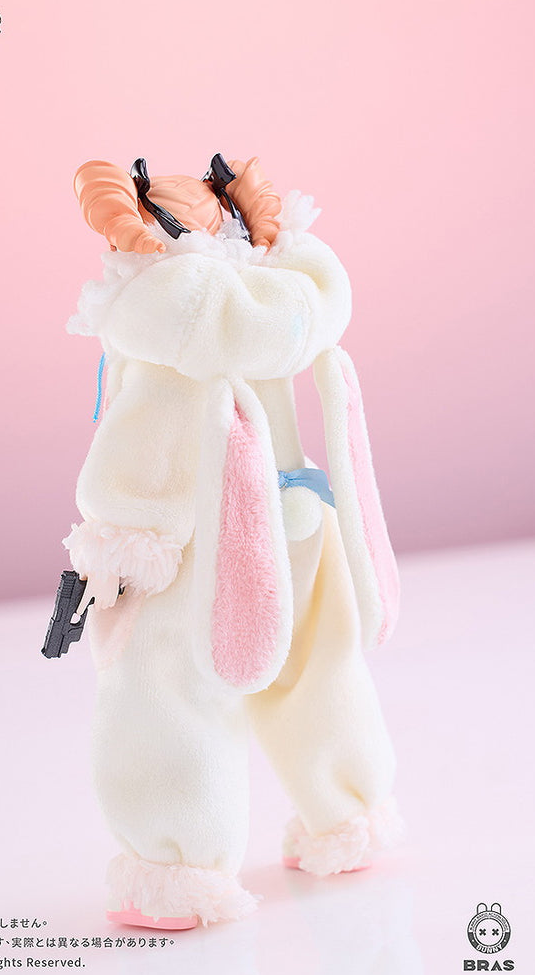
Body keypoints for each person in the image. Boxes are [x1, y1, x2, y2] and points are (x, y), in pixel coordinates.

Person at [62, 154, 403, 930]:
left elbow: (135, 453)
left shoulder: (162, 316)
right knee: (317, 670)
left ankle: (176, 866)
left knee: (167, 692)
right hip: (297, 513)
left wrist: (116, 542)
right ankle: (346, 811)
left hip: (192, 543)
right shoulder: (295, 296)